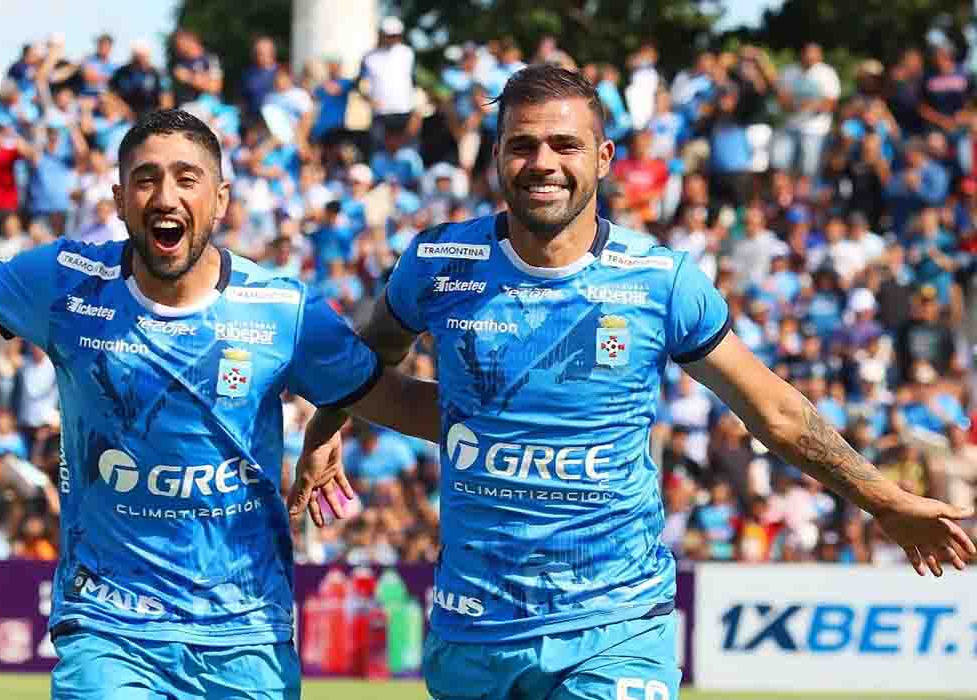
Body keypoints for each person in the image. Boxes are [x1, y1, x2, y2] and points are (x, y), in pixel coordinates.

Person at [289, 65, 976, 700]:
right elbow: (370, 364)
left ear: (604, 158)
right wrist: (327, 426)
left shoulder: (659, 280)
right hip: (474, 631)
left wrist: (883, 499)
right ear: (497, 156)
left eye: (565, 144)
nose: (543, 163)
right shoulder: (440, 262)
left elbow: (776, 412)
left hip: (615, 627)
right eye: (523, 145)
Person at [0, 108, 436, 699]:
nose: (166, 196)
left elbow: (386, 396)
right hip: (108, 629)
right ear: (120, 199)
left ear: (220, 199)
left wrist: (490, 429)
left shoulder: (281, 309)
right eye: (146, 179)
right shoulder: (66, 284)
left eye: (186, 178)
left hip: (246, 638)